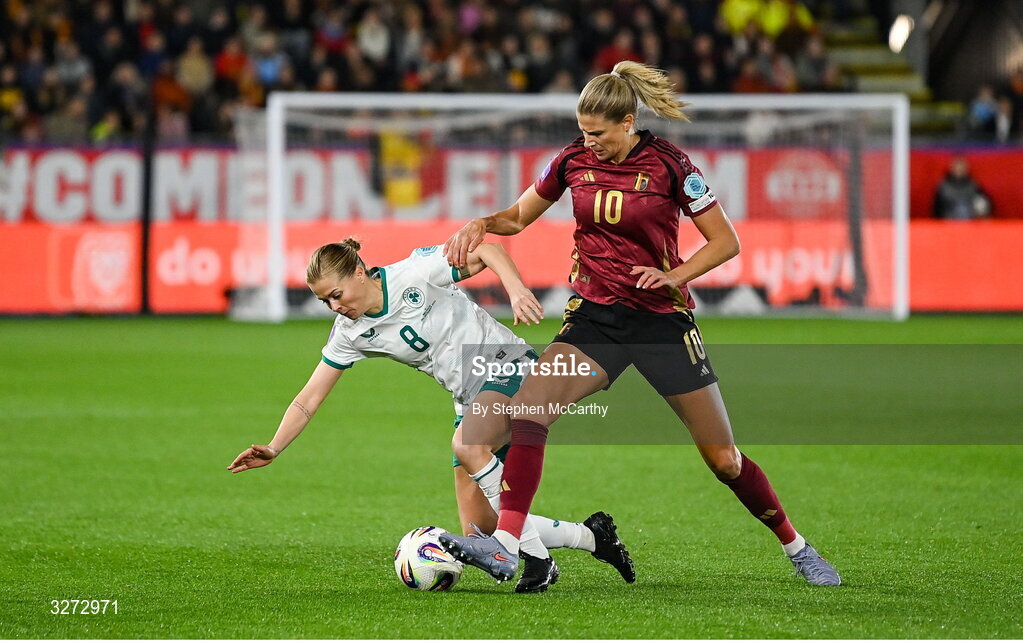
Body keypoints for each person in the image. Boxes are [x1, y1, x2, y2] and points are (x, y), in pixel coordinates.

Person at [439, 60, 842, 587]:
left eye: (599, 134)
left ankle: (797, 546)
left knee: (723, 460)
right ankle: (507, 546)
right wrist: (481, 223)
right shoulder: (570, 162)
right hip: (595, 319)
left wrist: (673, 274)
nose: (589, 143)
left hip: (660, 324)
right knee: (528, 414)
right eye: (583, 132)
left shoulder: (672, 165)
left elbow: (726, 242)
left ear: (628, 122)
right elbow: (516, 218)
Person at [226, 239, 634, 593]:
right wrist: (275, 447)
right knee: (480, 530)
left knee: (468, 445)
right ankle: (591, 537)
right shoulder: (349, 332)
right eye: (324, 301)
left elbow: (488, 249)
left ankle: (534, 561)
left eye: (337, 294)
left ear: (359, 272)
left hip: (505, 365)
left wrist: (516, 289)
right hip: (467, 398)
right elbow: (308, 398)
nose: (335, 306)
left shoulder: (413, 272)